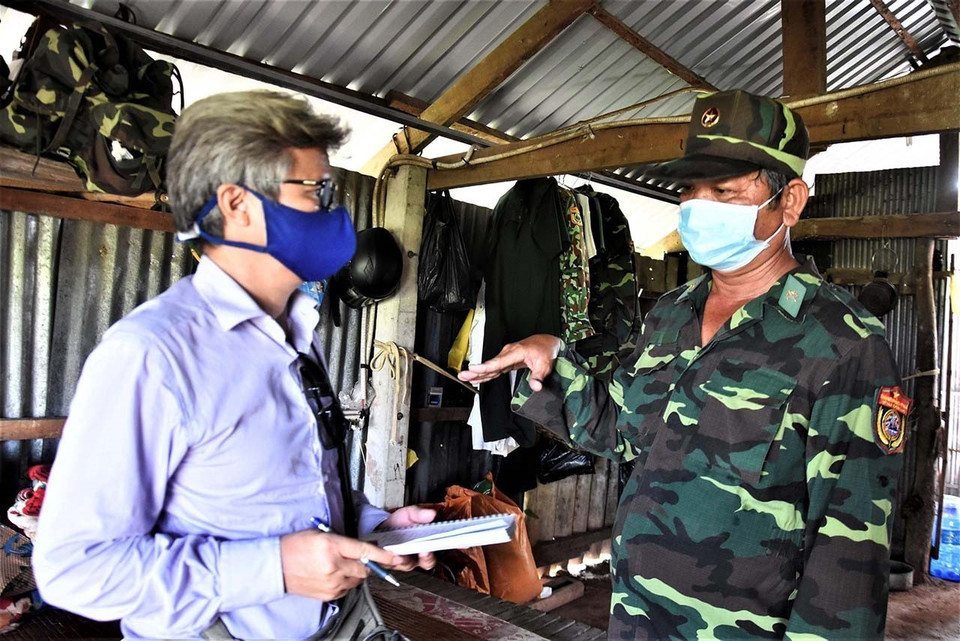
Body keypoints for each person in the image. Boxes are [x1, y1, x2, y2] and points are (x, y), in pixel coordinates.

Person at [461, 90, 909, 639]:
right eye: (690, 190)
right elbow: (622, 431)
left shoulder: (844, 343)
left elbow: (849, 554)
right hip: (636, 617)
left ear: (789, 201)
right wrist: (552, 361)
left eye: (724, 190)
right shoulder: (672, 314)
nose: (699, 207)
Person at [33, 90, 436, 640]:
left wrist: (374, 529)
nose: (333, 209)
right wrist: (270, 570)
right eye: (316, 189)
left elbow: (286, 498)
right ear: (238, 204)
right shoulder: (153, 357)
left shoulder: (297, 336)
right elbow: (74, 569)